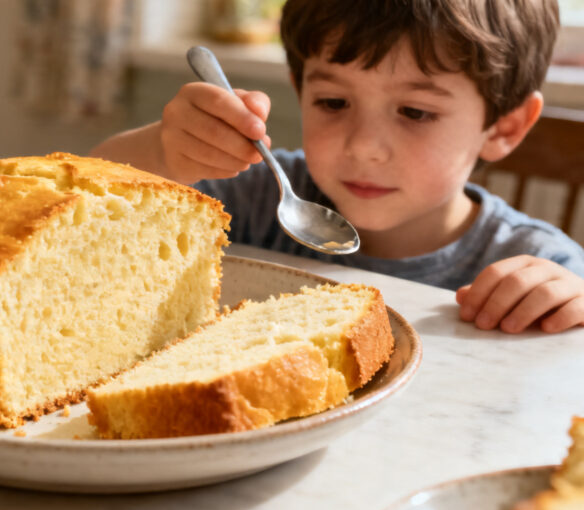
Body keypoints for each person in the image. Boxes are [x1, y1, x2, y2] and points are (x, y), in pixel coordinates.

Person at [90, 0, 584, 334]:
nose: (364, 147)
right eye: (332, 102)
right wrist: (161, 151)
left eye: (415, 112)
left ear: (505, 127)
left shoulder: (534, 261)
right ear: (298, 87)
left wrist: (569, 306)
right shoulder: (254, 193)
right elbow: (87, 203)